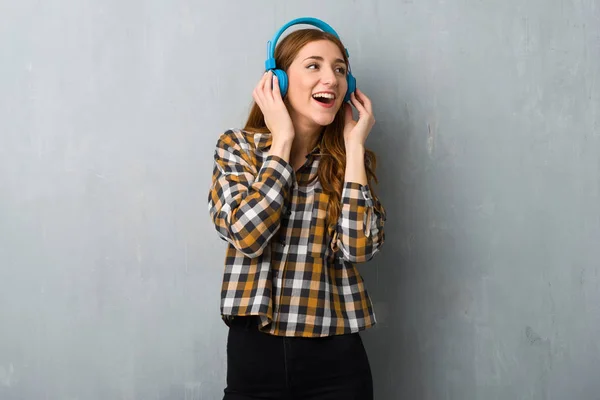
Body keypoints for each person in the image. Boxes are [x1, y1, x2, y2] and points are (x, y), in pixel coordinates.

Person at [207, 17, 387, 400]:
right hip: (256, 353)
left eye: (340, 70)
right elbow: (247, 235)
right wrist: (283, 143)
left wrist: (354, 147)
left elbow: (358, 248)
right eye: (314, 65)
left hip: (336, 355)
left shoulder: (346, 162)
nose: (332, 79)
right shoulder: (237, 148)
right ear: (279, 81)